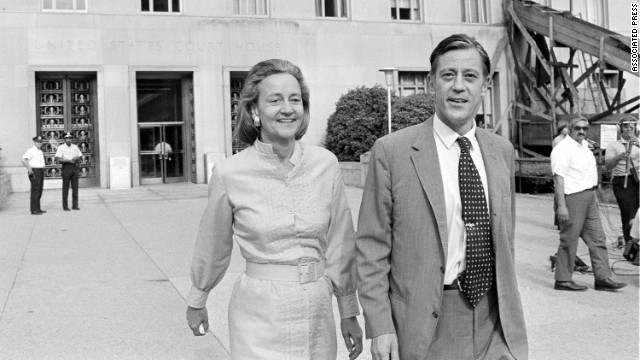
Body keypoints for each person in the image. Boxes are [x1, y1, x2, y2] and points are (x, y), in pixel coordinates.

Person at [356, 34, 528, 360]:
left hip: (495, 322)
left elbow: (506, 239)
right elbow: (371, 248)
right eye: (448, 75)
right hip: (427, 325)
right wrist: (380, 326)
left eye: (470, 76)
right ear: (431, 82)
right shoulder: (393, 152)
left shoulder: (501, 152)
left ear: (485, 86)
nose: (459, 86)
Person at [186, 59, 363, 360]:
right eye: (275, 100)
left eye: (295, 100)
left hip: (318, 309)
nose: (287, 109)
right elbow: (213, 245)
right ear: (254, 111)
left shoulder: (326, 165)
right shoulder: (230, 173)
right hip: (258, 313)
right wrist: (198, 298)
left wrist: (348, 310)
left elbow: (341, 244)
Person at [551, 115, 627, 292]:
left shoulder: (584, 145)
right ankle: (562, 279)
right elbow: (558, 179)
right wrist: (561, 206)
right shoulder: (563, 149)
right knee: (569, 239)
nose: (582, 131)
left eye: (585, 128)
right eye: (578, 128)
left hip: (589, 196)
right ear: (569, 128)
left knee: (598, 238)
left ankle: (602, 278)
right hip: (573, 197)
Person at [604, 116, 639, 262]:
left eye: (632, 126)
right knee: (629, 214)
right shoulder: (613, 145)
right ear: (620, 128)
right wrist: (618, 157)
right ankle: (631, 250)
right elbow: (608, 166)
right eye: (626, 126)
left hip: (638, 179)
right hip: (623, 181)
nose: (629, 129)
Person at [55, 132, 83, 211]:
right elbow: (57, 158)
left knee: (75, 187)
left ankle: (75, 205)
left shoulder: (75, 147)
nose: (69, 140)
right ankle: (65, 206)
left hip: (74, 167)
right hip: (66, 167)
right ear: (64, 139)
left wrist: (76, 158)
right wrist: (67, 161)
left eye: (70, 138)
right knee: (65, 187)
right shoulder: (61, 147)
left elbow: (80, 155)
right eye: (67, 138)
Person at [21, 136, 47, 215]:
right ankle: (34, 210)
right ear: (34, 142)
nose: (39, 143)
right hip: (35, 171)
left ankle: (38, 208)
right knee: (35, 190)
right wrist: (29, 169)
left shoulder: (40, 151)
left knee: (39, 190)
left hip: (40, 171)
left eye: (40, 142)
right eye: (38, 142)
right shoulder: (31, 150)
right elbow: (23, 159)